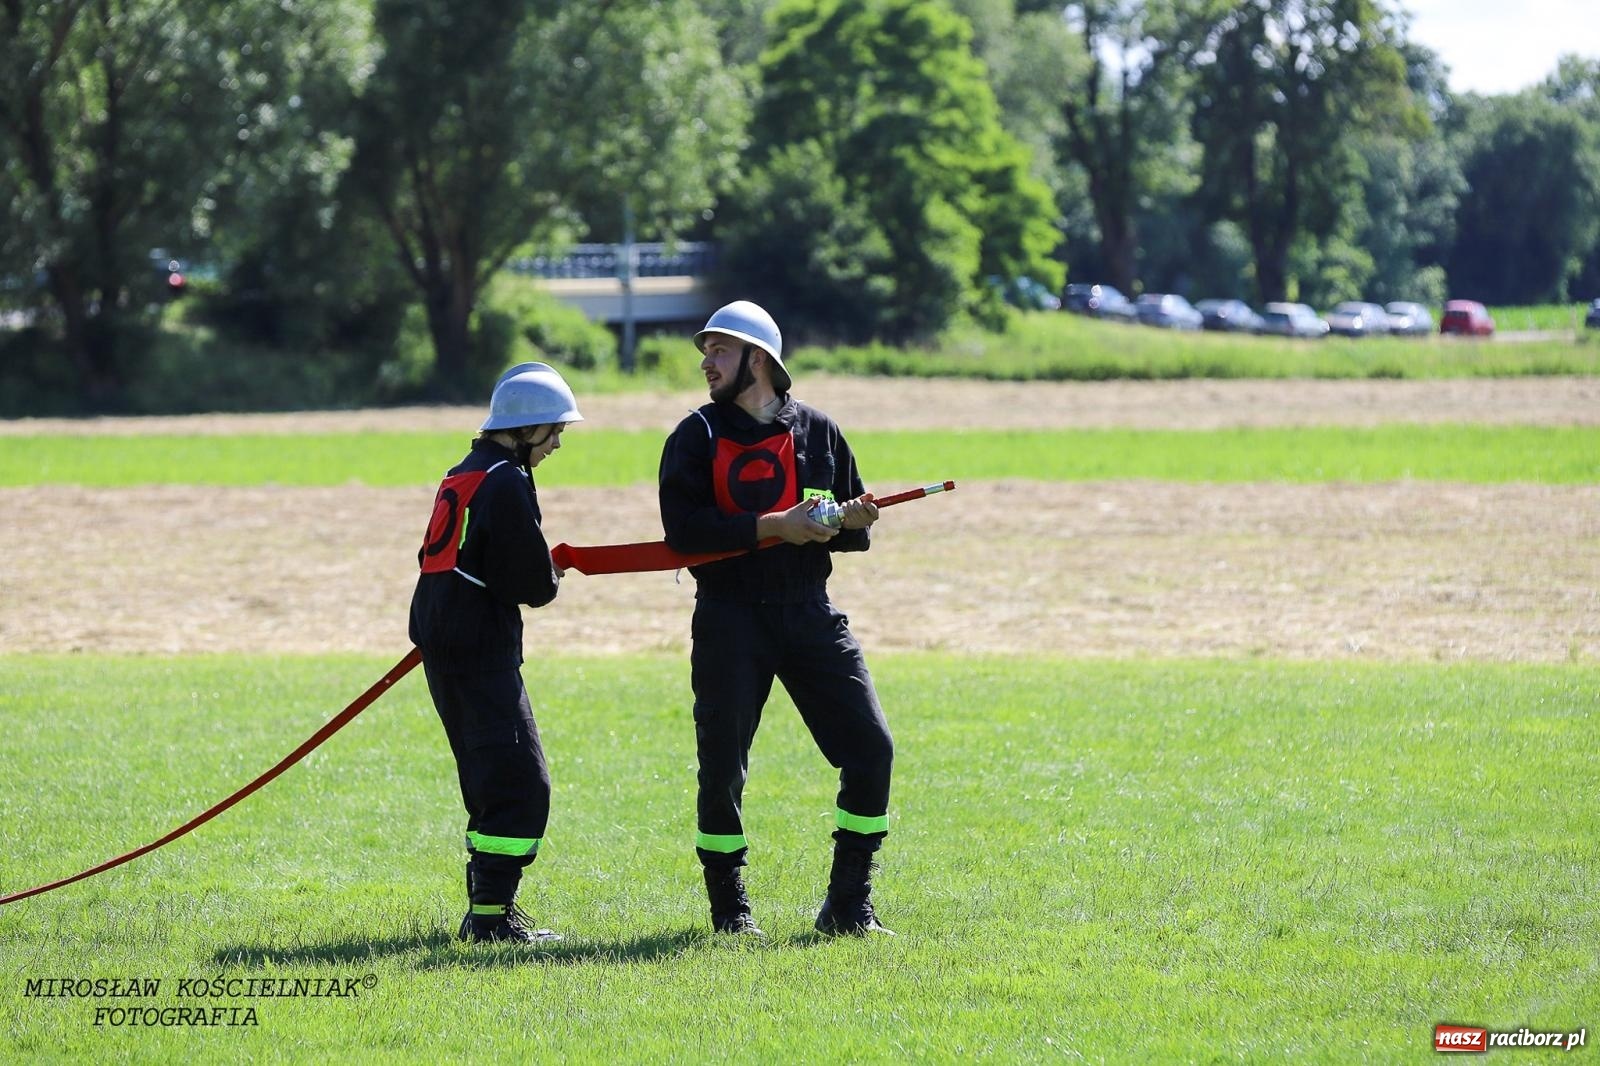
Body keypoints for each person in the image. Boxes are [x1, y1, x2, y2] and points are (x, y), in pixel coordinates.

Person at [658, 300, 895, 937]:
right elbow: (683, 534)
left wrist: (851, 521)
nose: (707, 363)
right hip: (730, 618)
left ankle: (849, 905)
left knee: (872, 751)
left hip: (809, 614)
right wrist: (776, 527)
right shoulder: (694, 437)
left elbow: (844, 530)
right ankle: (731, 914)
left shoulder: (820, 431)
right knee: (723, 768)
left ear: (759, 360)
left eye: (721, 351)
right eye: (706, 352)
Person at [409, 361, 582, 945]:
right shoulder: (507, 480)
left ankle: (487, 914)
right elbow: (531, 586)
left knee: (489, 780)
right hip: (479, 652)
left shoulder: (465, 471)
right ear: (525, 428)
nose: (558, 442)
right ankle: (490, 923)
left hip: (444, 643)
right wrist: (550, 573)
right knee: (520, 785)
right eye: (554, 430)